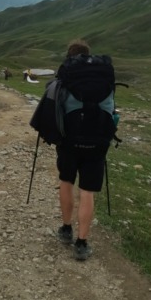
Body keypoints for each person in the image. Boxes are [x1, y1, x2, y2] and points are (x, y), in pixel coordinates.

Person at [55, 39, 113, 261]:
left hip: (69, 141)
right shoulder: (104, 78)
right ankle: (81, 243)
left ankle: (66, 229)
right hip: (98, 143)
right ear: (89, 55)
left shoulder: (65, 77)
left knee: (66, 181)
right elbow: (112, 112)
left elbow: (54, 109)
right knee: (87, 191)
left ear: (69, 57)